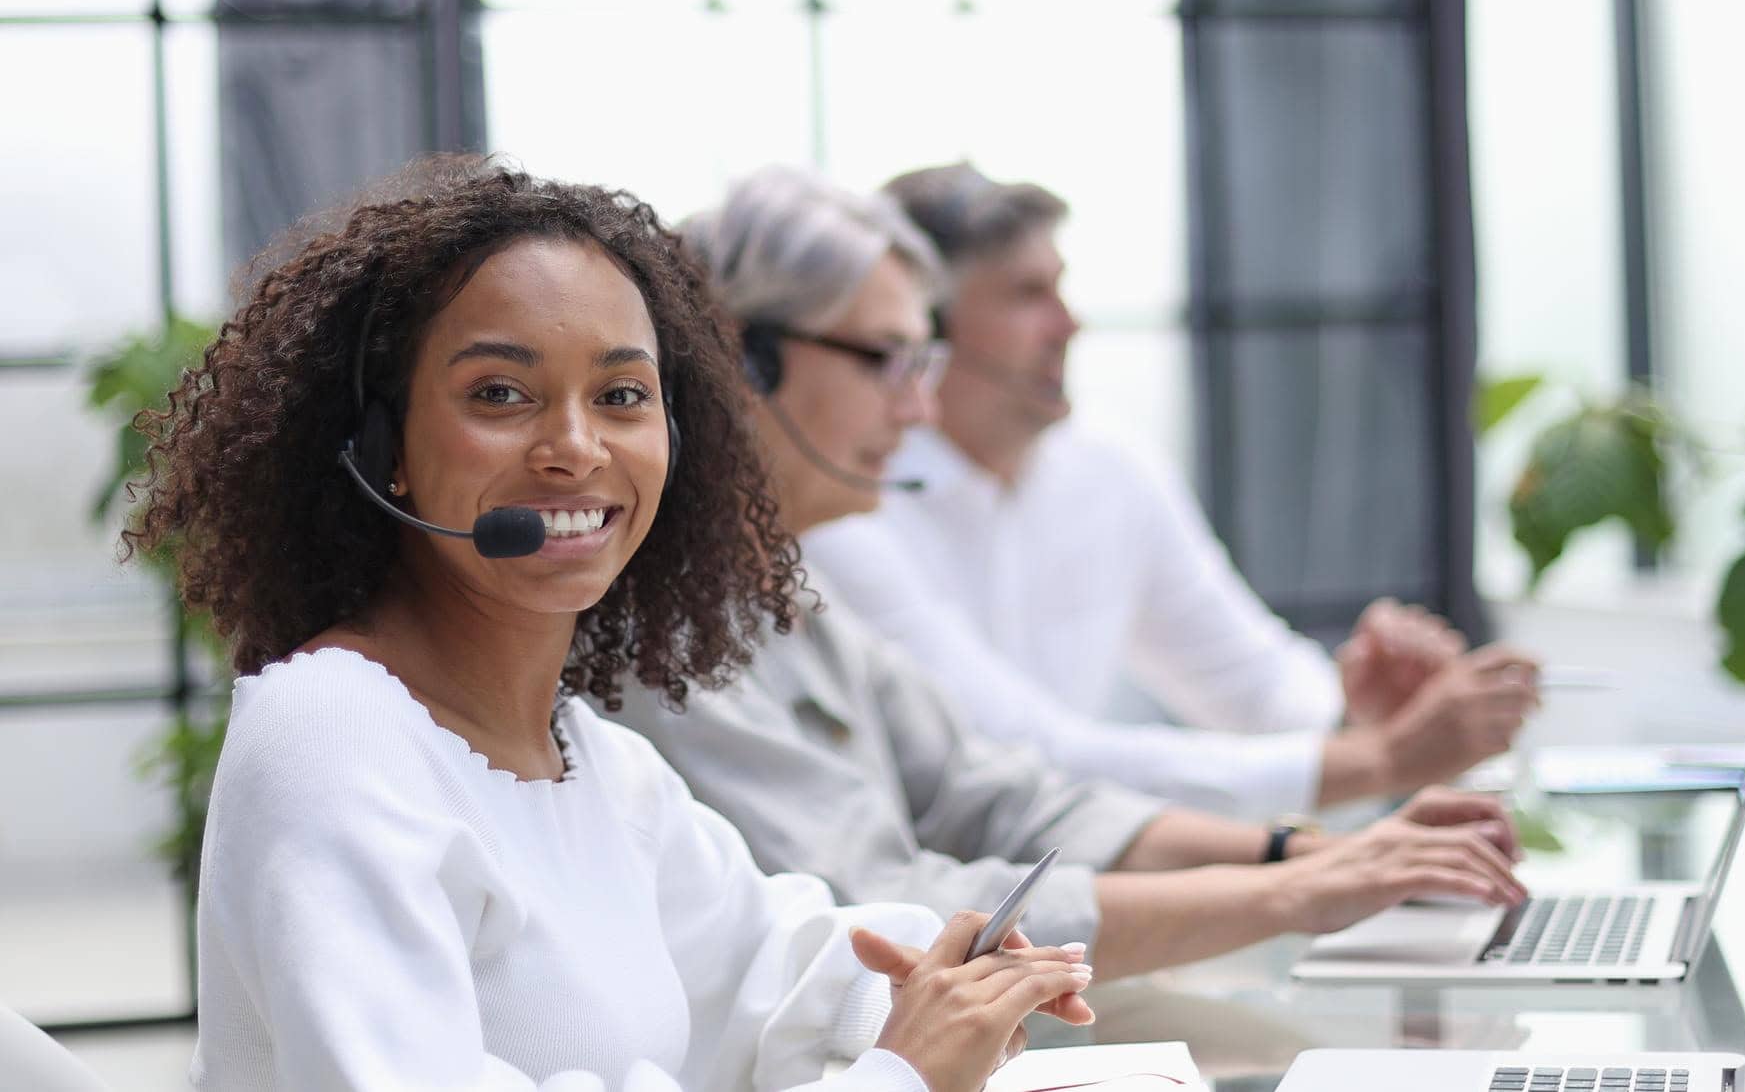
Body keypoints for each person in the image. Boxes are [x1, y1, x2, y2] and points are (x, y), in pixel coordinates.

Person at [125, 157, 1092, 1092]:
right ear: (387, 449)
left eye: (623, 395)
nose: (576, 448)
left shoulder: (590, 760)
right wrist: (908, 1072)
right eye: (500, 393)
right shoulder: (332, 740)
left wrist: (931, 979)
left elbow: (767, 959)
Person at [611, 166, 1528, 982]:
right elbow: (882, 901)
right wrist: (1299, 884)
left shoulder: (774, 590)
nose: (918, 403)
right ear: (741, 359)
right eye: (890, 360)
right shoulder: (664, 625)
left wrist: (1303, 854)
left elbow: (999, 794)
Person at [802, 162, 1540, 817]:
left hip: (1092, 901)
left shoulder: (1109, 467)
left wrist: (1356, 714)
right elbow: (1022, 758)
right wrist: (1378, 759)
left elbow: (1247, 679)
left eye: (1061, 288)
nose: (1069, 323)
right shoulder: (847, 497)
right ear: (925, 329)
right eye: (1028, 294)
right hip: (920, 929)